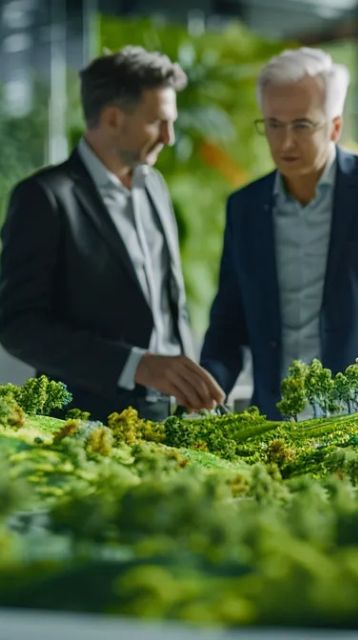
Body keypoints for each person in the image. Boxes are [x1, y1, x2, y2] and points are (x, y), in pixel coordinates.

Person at [201, 47, 358, 419]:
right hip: (275, 430)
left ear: (335, 126)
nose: (285, 143)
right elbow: (229, 324)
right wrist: (206, 390)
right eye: (273, 124)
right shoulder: (245, 207)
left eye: (302, 125)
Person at [0, 46, 224, 421]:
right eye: (158, 122)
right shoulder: (43, 197)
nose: (169, 137)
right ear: (113, 118)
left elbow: (169, 303)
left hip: (171, 419)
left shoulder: (155, 186)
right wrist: (135, 365)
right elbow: (17, 327)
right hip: (85, 426)